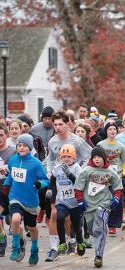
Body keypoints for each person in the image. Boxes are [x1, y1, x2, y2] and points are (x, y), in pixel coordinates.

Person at [45, 111, 92, 261]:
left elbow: (89, 155)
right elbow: (51, 159)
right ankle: (56, 247)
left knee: (73, 220)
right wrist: (49, 172)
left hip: (75, 181)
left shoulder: (77, 141)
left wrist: (80, 171)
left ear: (67, 124)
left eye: (60, 124)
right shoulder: (52, 142)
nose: (58, 127)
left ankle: (76, 240)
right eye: (55, 125)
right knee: (55, 215)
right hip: (59, 181)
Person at [3, 134, 49, 264]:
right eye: (19, 145)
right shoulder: (12, 160)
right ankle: (16, 247)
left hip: (30, 200)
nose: (21, 148)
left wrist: (40, 184)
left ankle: (34, 248)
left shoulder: (36, 163)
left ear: (30, 147)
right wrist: (7, 186)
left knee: (32, 227)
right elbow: (11, 176)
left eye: (24, 145)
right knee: (15, 219)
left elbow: (45, 180)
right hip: (15, 196)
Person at [74, 146, 123, 268]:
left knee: (100, 226)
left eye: (99, 157)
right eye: (94, 157)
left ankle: (98, 256)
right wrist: (80, 201)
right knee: (93, 230)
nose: (96, 159)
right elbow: (78, 188)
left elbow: (118, 187)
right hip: (89, 206)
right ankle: (96, 247)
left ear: (104, 158)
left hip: (104, 203)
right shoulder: (86, 171)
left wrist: (116, 199)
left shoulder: (110, 172)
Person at [48, 144, 84, 259]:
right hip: (62, 201)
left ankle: (80, 241)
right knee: (59, 218)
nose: (66, 159)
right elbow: (52, 181)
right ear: (60, 158)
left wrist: (70, 174)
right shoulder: (57, 168)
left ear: (74, 157)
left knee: (76, 225)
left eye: (69, 156)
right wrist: (50, 191)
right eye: (64, 156)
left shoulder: (77, 168)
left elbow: (80, 183)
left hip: (74, 202)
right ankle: (62, 242)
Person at [97, 122, 125, 235]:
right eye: (110, 129)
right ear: (106, 131)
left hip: (116, 176)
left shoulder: (121, 146)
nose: (112, 131)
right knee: (103, 199)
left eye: (114, 129)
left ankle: (112, 225)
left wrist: (124, 172)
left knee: (117, 200)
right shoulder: (100, 145)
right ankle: (102, 221)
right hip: (103, 175)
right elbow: (96, 159)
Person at [0, 124, 16, 256]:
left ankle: (17, 242)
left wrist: (7, 170)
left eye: (1, 135)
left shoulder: (13, 152)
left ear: (7, 136)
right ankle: (2, 239)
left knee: (13, 219)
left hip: (9, 189)